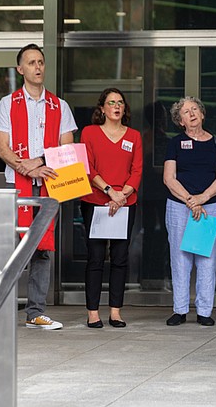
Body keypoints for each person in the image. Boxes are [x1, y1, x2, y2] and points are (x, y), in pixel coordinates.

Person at [0, 43, 77, 330]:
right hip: (17, 185)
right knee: (12, 248)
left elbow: (67, 146)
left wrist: (37, 162)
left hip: (49, 185)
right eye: (31, 63)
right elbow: (2, 148)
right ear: (20, 69)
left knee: (43, 249)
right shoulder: (7, 103)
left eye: (40, 62)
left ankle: (35, 312)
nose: (38, 67)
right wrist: (24, 166)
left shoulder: (59, 105)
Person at [79, 88, 143, 328]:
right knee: (95, 257)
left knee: (120, 257)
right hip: (95, 201)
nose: (116, 106)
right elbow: (88, 168)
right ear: (102, 108)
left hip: (126, 203)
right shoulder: (90, 132)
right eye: (111, 102)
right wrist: (110, 192)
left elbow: (136, 170)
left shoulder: (134, 136)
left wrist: (122, 195)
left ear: (124, 108)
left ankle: (115, 311)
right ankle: (93, 312)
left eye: (120, 103)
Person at [164, 96, 216, 327]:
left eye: (194, 110)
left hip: (209, 205)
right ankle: (180, 310)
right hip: (179, 206)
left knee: (206, 259)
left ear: (202, 114)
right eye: (185, 112)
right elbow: (169, 178)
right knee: (180, 259)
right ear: (180, 121)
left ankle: (204, 311)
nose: (191, 114)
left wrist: (202, 198)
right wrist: (190, 201)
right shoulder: (174, 143)